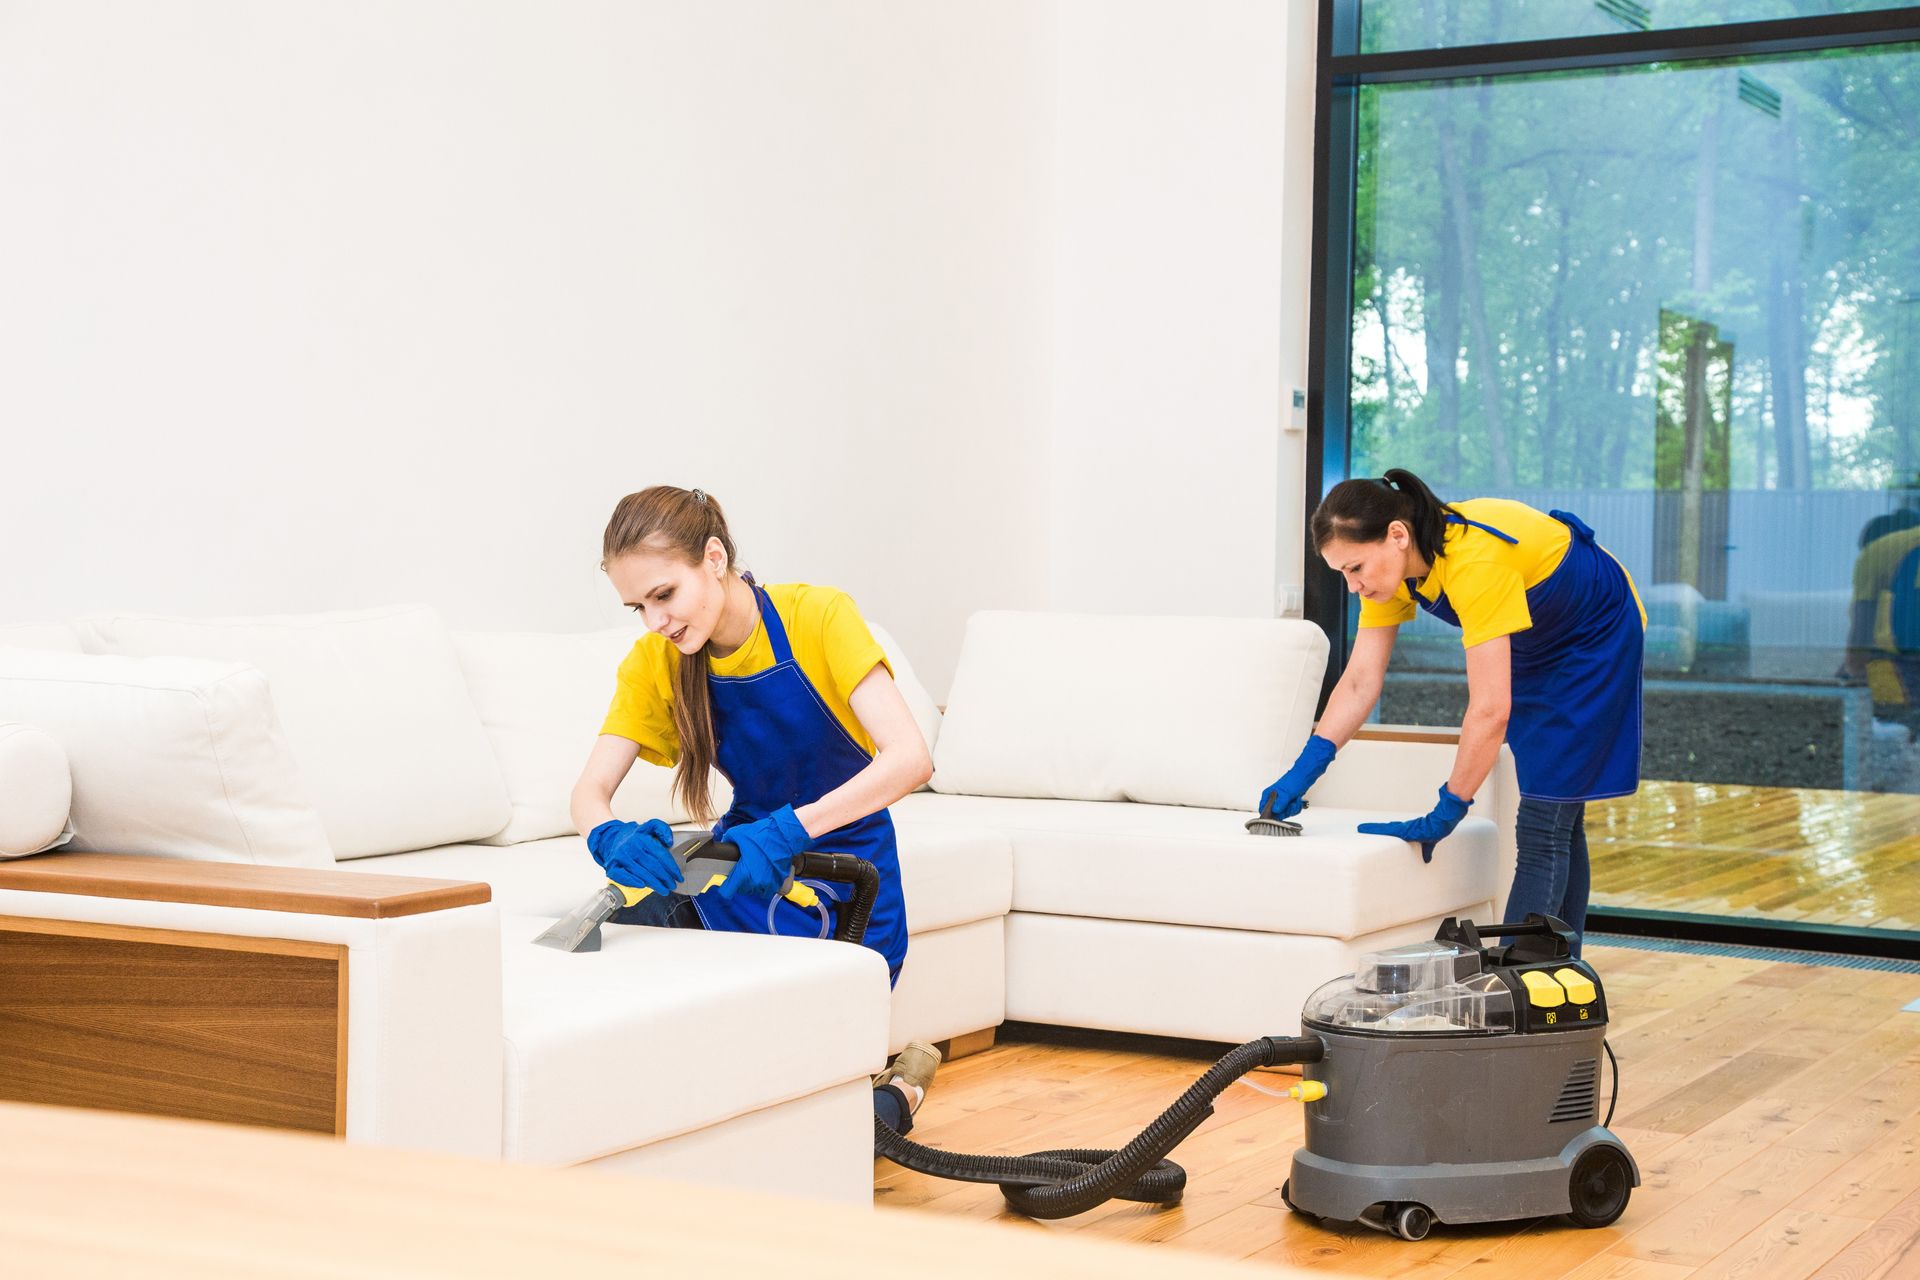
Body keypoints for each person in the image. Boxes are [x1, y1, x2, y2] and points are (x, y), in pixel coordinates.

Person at [569, 484, 939, 1132]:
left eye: (665, 595)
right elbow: (587, 793)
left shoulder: (816, 617)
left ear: (714, 558)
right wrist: (607, 835)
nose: (656, 621)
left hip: (845, 873)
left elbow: (910, 757)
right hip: (745, 855)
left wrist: (792, 828)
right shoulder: (656, 661)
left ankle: (901, 1086)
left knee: (826, 1135)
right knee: (595, 922)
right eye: (638, 607)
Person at [1261, 471, 1646, 955]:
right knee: (1558, 808)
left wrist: (1449, 808)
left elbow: (1489, 711)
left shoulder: (1474, 560)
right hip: (1534, 635)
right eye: (1342, 574)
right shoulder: (1394, 574)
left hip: (1594, 634)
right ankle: (1559, 976)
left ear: (1397, 535)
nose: (1353, 585)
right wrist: (1302, 772)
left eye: (1355, 567)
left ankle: (1518, 986)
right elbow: (1360, 680)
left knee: (1542, 821)